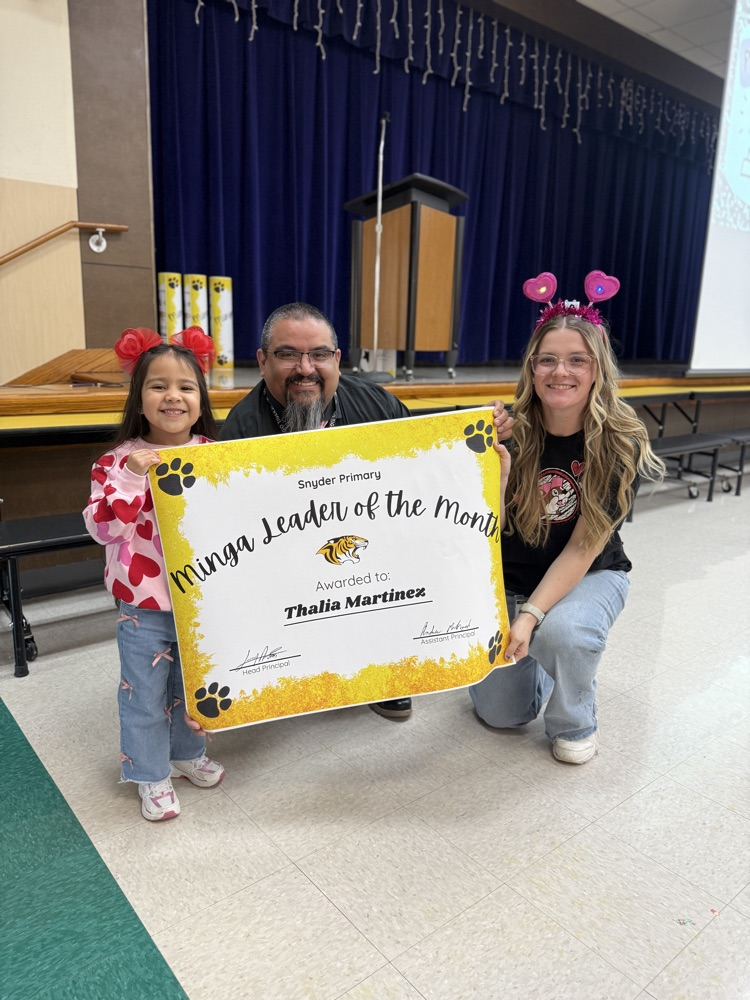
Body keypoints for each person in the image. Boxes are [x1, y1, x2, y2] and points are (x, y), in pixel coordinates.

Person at [219, 301, 514, 720]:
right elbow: (238, 535)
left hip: (376, 550)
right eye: (287, 354)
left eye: (319, 354)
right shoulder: (240, 431)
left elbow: (427, 474)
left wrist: (483, 437)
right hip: (289, 562)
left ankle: (389, 672)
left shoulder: (376, 405)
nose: (306, 368)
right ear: (263, 361)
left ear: (337, 360)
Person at [470, 271, 665, 763]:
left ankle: (575, 718)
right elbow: (482, 528)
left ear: (597, 369)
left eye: (577, 359)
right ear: (532, 368)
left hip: (590, 574)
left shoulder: (620, 441)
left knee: (565, 633)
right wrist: (499, 472)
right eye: (548, 359)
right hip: (514, 577)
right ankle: (539, 660)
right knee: (501, 715)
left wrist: (530, 616)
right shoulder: (504, 430)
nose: (561, 371)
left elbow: (582, 548)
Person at [83, 326, 226, 821]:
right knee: (144, 695)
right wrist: (131, 477)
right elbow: (103, 529)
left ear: (201, 399)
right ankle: (149, 773)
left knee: (191, 686)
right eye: (158, 385)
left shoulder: (214, 455)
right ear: (139, 398)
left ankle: (186, 754)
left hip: (200, 602)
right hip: (143, 607)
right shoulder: (114, 462)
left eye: (186, 386)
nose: (173, 396)